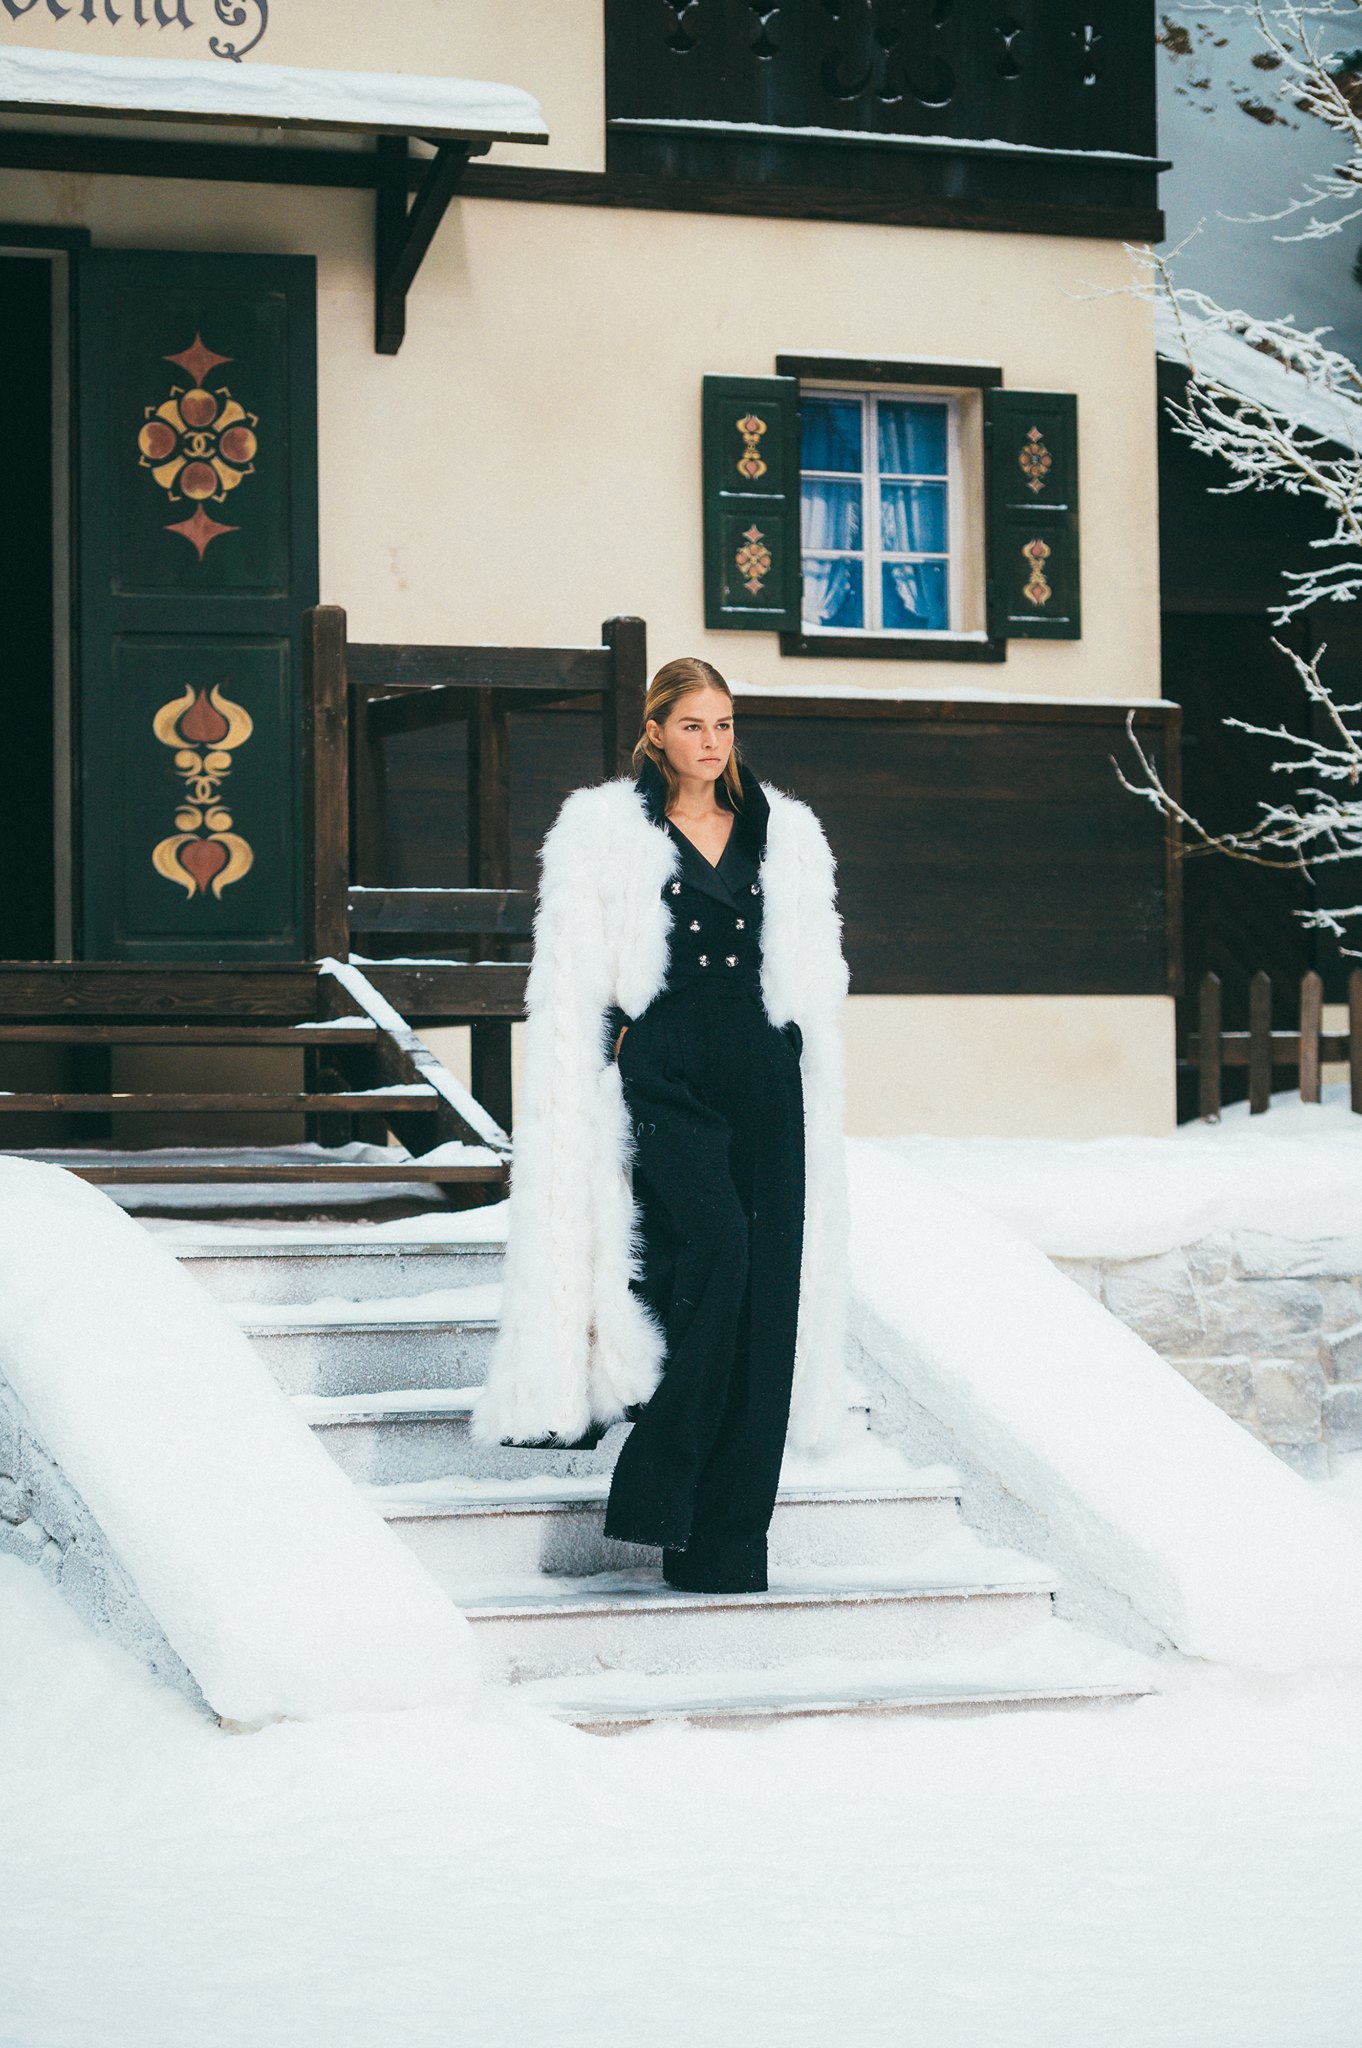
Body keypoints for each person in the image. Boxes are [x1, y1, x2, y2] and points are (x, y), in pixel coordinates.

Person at [474, 656, 852, 1595]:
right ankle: (658, 1484)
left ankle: (724, 1546)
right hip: (667, 1068)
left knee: (765, 1296)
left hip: (762, 1071)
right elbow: (571, 965)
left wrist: (794, 1039)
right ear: (655, 732)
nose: (711, 742)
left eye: (724, 724)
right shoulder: (607, 830)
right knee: (717, 1249)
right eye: (692, 725)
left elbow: (809, 958)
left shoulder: (782, 831)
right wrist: (619, 1042)